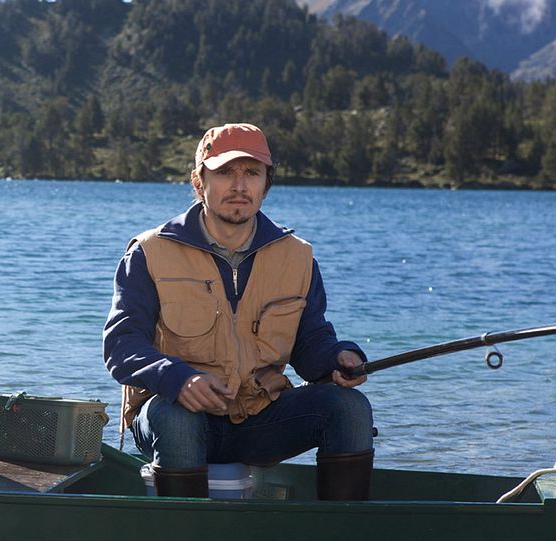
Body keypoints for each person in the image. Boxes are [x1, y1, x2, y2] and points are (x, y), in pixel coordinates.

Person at [103, 123, 373, 500]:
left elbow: (310, 343)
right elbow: (121, 346)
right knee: (179, 419)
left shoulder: (297, 257)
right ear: (199, 182)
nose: (239, 186)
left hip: (261, 418)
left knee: (350, 408)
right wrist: (179, 379)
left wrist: (337, 357)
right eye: (225, 172)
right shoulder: (149, 253)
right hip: (173, 416)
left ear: (266, 183)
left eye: (251, 173)